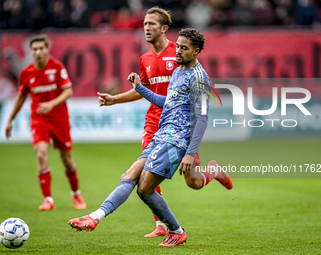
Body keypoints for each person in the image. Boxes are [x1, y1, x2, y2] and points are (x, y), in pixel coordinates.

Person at [69, 28, 215, 247]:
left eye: (184, 49)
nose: (178, 51)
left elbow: (202, 119)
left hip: (175, 140)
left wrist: (190, 153)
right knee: (129, 176)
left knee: (144, 188)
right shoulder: (178, 71)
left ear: (196, 51)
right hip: (161, 134)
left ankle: (175, 230)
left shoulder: (199, 78)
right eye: (178, 46)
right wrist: (140, 88)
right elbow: (168, 102)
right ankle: (95, 217)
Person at [96, 6, 233, 238]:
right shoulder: (147, 59)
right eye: (144, 24)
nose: (146, 28)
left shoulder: (183, 59)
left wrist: (190, 150)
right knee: (143, 176)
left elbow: (200, 112)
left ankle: (212, 172)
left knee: (193, 182)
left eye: (151, 24)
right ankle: (163, 225)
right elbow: (150, 92)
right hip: (156, 124)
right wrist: (117, 99)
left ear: (164, 28)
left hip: (182, 129)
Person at [5, 34, 86, 211]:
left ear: (47, 49)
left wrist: (51, 103)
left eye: (41, 48)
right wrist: (10, 120)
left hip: (59, 119)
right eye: (35, 49)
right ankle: (48, 199)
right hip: (39, 120)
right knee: (41, 155)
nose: (38, 52)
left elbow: (68, 91)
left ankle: (76, 194)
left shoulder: (57, 67)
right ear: (30, 51)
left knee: (66, 159)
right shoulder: (27, 72)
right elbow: (20, 97)